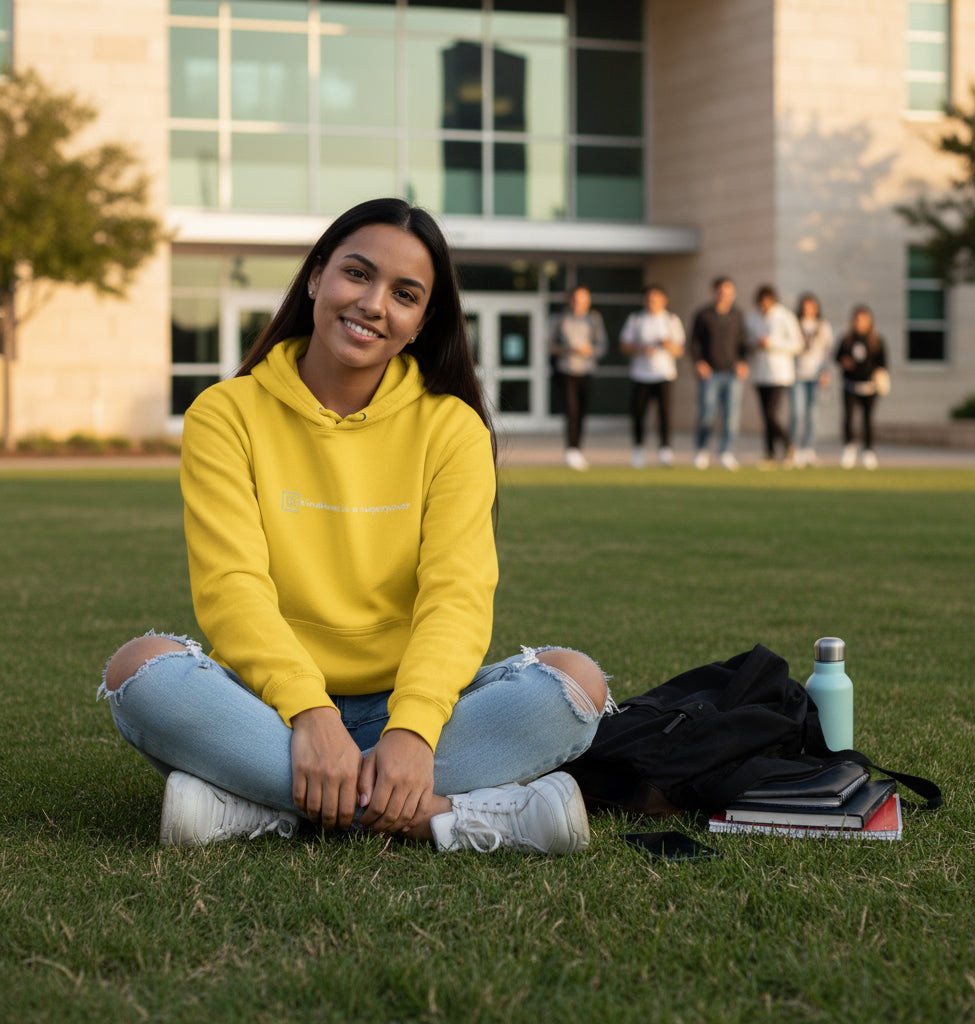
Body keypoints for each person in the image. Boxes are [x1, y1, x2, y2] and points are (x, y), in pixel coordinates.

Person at [98, 198, 612, 855]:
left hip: (411, 706)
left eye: (404, 293)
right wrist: (308, 714)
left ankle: (261, 807)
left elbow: (457, 594)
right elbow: (232, 589)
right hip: (269, 709)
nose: (373, 304)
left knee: (574, 686)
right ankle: (451, 817)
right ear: (317, 278)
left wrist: (414, 730)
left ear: (423, 320)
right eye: (358, 274)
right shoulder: (224, 414)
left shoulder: (451, 427)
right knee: (139, 672)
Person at [619, 284, 686, 467]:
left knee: (665, 414)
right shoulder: (636, 320)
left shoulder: (671, 320)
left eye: (656, 298)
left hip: (664, 374)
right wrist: (641, 348)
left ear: (664, 300)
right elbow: (624, 346)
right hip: (641, 374)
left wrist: (667, 345)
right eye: (649, 298)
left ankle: (665, 450)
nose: (652, 302)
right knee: (638, 414)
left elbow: (679, 350)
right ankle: (638, 450)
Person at [690, 276, 749, 470]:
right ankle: (702, 450)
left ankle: (726, 452)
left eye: (728, 291)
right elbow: (694, 342)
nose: (724, 295)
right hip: (710, 373)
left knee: (731, 416)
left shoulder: (737, 315)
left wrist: (743, 362)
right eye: (721, 291)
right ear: (714, 292)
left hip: (732, 373)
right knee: (707, 414)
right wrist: (699, 362)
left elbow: (744, 342)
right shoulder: (703, 314)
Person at [547, 285, 607, 470]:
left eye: (584, 300)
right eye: (576, 300)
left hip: (586, 371)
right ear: (569, 300)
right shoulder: (559, 320)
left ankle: (578, 449)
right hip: (566, 371)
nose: (580, 304)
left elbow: (602, 347)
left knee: (581, 412)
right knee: (571, 411)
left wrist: (589, 351)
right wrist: (569, 350)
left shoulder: (594, 320)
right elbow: (549, 346)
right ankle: (571, 450)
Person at [746, 284, 803, 468]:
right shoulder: (752, 317)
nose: (764, 305)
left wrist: (772, 343)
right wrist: (755, 343)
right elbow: (746, 341)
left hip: (779, 374)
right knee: (765, 416)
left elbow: (797, 344)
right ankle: (769, 454)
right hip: (759, 373)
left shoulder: (784, 316)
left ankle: (788, 444)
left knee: (771, 414)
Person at [835, 303, 888, 469]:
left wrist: (878, 375)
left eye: (863, 319)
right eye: (857, 319)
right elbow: (837, 357)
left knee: (868, 420)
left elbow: (883, 363)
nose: (860, 323)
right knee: (849, 418)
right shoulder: (847, 339)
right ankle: (849, 449)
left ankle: (868, 452)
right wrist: (845, 362)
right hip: (851, 385)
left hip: (869, 387)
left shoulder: (876, 340)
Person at [790, 293, 833, 468]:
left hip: (815, 375)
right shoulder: (794, 324)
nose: (808, 309)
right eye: (805, 306)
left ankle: (808, 450)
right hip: (797, 375)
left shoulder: (823, 326)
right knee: (797, 413)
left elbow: (827, 352)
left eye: (811, 306)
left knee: (812, 415)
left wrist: (825, 372)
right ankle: (793, 449)